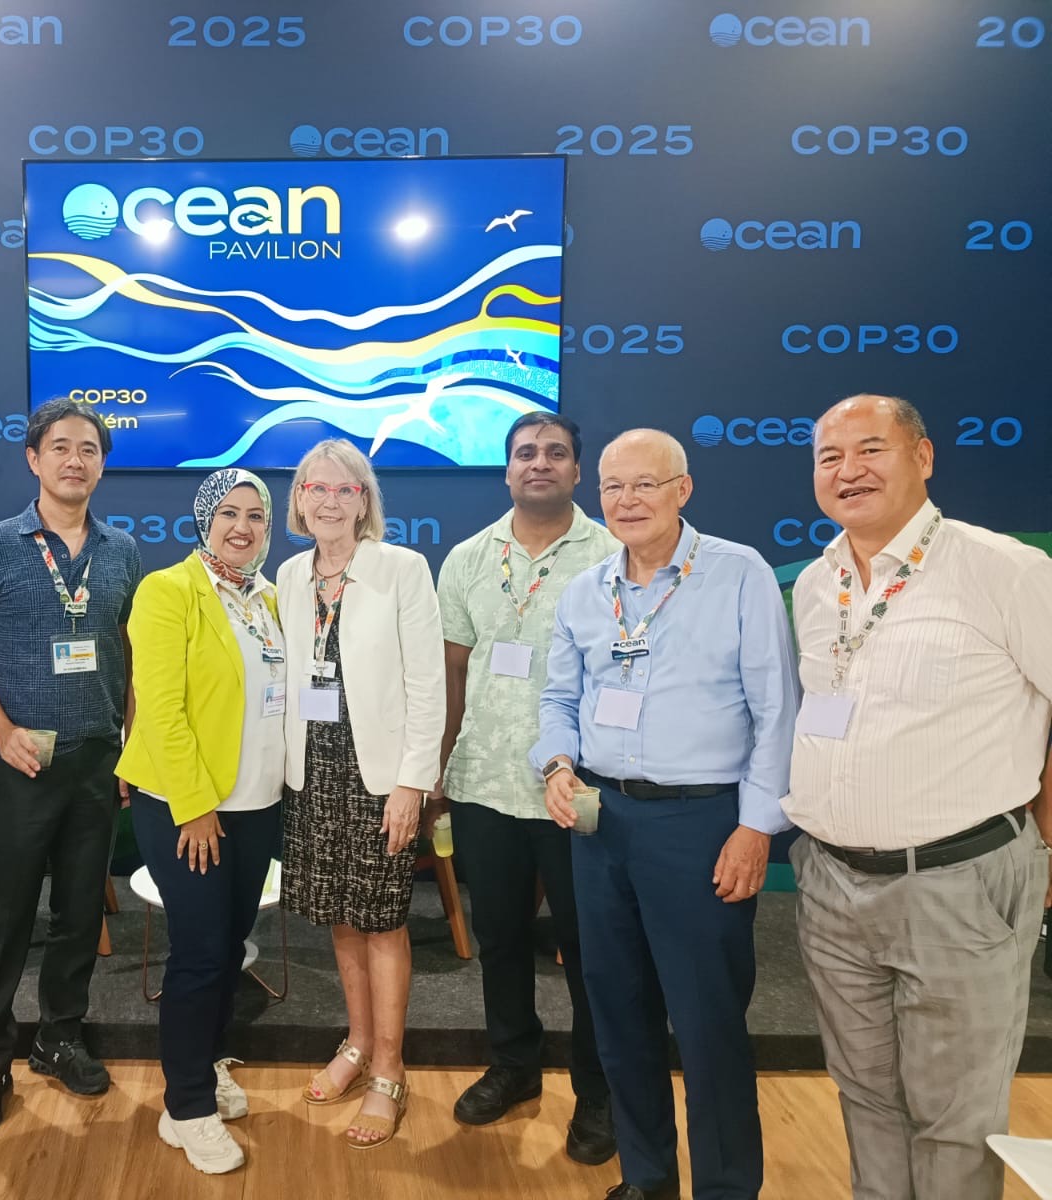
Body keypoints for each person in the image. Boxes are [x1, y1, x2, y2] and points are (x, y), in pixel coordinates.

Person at [784, 394, 1052, 1200]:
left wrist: (1046, 845)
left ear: (924, 457)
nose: (848, 471)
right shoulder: (815, 583)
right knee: (865, 1098)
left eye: (871, 449)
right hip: (832, 885)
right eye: (830, 457)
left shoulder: (1004, 570)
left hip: (958, 886)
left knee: (955, 1119)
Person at [532, 428, 797, 1200]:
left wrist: (755, 827)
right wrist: (556, 764)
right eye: (613, 487)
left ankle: (725, 1189)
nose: (627, 500)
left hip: (701, 826)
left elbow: (777, 710)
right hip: (600, 824)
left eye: (645, 484)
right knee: (619, 1017)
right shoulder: (587, 590)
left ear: (683, 489)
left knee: (709, 1027)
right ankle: (647, 1179)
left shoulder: (738, 573)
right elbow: (558, 699)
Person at [0, 396, 142, 1132]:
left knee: (78, 914)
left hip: (95, 759)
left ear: (102, 464)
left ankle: (60, 1037)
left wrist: (130, 748)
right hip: (20, 758)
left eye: (88, 449)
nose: (74, 460)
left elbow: (129, 653)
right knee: (3, 916)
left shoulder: (122, 550)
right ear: (34, 458)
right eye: (60, 447)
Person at [434, 413, 619, 1160]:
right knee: (501, 939)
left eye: (555, 452)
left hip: (578, 790)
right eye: (525, 453)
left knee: (589, 947)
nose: (539, 463)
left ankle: (599, 1091)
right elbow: (454, 672)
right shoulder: (468, 558)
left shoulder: (612, 554)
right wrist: (440, 769)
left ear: (576, 470)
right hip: (484, 783)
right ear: (507, 470)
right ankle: (513, 1065)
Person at [275, 438, 445, 1150]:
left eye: (345, 490)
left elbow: (428, 684)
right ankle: (356, 1041)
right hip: (312, 772)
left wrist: (413, 783)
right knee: (340, 917)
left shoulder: (401, 569)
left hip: (380, 777)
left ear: (365, 501)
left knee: (382, 920)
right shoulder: (288, 574)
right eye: (316, 488)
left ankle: (388, 1067)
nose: (329, 501)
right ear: (300, 500)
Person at [118, 469, 286, 1175]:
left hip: (258, 806)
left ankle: (209, 1063)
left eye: (256, 515)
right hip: (185, 807)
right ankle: (185, 1108)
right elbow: (159, 708)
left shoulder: (269, 598)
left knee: (229, 947)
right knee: (197, 952)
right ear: (204, 520)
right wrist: (194, 807)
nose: (242, 527)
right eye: (229, 514)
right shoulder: (168, 591)